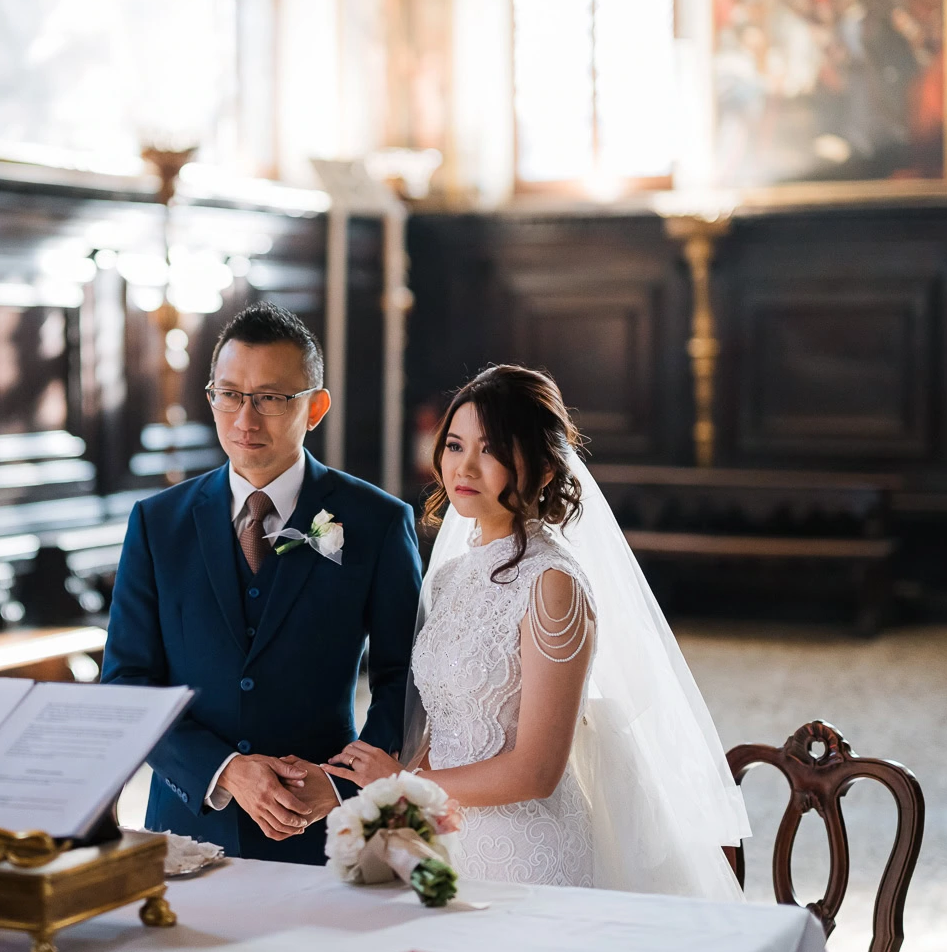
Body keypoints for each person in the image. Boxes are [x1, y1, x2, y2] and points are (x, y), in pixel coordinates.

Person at [326, 365, 749, 897]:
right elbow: (448, 722)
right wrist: (397, 805)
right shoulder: (455, 573)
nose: (467, 467)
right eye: (455, 446)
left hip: (528, 854)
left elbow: (537, 769)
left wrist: (401, 787)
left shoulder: (552, 584)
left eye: (493, 450)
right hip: (450, 838)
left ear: (544, 469)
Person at [103, 303, 422, 864]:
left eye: (272, 399)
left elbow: (406, 677)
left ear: (315, 407)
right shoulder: (157, 524)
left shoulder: (376, 521)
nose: (246, 419)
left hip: (324, 831)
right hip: (186, 831)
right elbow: (127, 682)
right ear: (211, 398)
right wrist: (223, 771)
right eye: (231, 395)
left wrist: (343, 783)